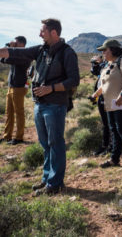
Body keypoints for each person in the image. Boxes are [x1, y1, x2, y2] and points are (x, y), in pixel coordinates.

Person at [0, 19, 80, 195]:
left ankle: (55, 183)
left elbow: (74, 80)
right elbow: (16, 52)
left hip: (56, 105)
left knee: (55, 143)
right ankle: (47, 179)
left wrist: (50, 88)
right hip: (39, 104)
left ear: (54, 32)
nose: (39, 34)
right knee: (45, 144)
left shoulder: (67, 53)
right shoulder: (40, 50)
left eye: (42, 31)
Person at [92, 40, 122, 170]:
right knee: (114, 130)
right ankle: (114, 158)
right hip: (111, 103)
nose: (103, 53)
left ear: (113, 49)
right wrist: (95, 94)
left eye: (105, 50)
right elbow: (104, 83)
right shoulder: (108, 64)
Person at [0, 36, 31, 145]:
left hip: (19, 87)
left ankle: (19, 137)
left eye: (16, 43)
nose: (14, 44)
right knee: (9, 113)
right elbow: (2, 59)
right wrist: (7, 47)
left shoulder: (25, 55)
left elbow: (8, 59)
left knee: (19, 113)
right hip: (11, 86)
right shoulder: (15, 53)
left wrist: (10, 49)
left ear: (22, 44)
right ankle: (7, 136)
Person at [90, 55, 111, 155]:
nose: (103, 54)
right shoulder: (104, 65)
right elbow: (95, 72)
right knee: (105, 123)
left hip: (109, 96)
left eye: (105, 51)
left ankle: (111, 146)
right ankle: (105, 145)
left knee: (110, 123)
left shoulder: (114, 64)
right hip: (101, 96)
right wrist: (95, 63)